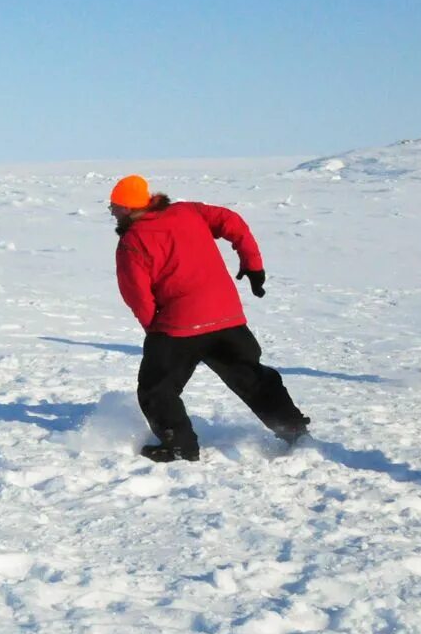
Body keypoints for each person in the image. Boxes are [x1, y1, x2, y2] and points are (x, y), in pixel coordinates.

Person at [109, 174, 311, 462]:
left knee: (157, 389)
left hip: (179, 327)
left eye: (114, 206)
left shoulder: (131, 242)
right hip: (227, 318)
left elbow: (137, 294)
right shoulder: (188, 211)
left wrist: (153, 330)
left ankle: (179, 445)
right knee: (252, 377)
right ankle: (293, 429)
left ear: (128, 208)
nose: (112, 212)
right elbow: (233, 222)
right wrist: (252, 264)